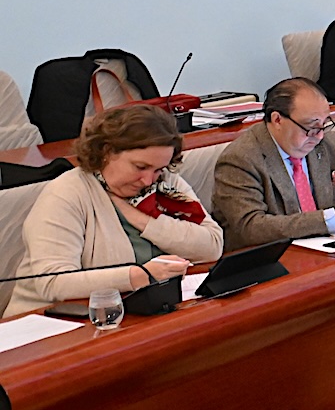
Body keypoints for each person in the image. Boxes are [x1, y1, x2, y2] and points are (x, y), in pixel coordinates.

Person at [9, 106, 224, 317]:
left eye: (158, 169)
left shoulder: (165, 182)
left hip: (132, 313)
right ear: (106, 152)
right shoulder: (66, 193)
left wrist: (143, 221)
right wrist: (140, 276)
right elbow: (54, 283)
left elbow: (212, 246)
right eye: (140, 167)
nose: (149, 180)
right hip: (51, 324)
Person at [212, 78, 335, 248]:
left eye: (324, 124)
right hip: (270, 258)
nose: (319, 136)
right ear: (277, 120)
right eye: (311, 126)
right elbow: (251, 227)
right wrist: (330, 222)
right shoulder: (241, 159)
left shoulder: (330, 144)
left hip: (327, 251)